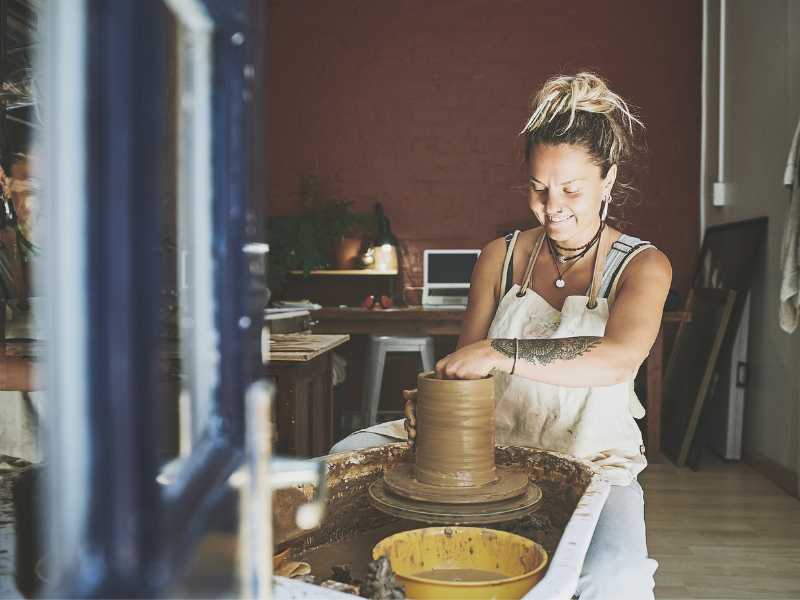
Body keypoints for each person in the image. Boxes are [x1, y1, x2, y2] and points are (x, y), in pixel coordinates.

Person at [330, 72, 670, 599]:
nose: (551, 204)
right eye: (538, 188)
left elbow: (617, 359)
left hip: (593, 459)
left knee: (615, 579)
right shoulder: (501, 256)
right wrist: (433, 397)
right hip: (489, 451)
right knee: (334, 469)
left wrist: (499, 350)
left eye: (571, 189)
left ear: (608, 179)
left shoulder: (643, 265)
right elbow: (466, 369)